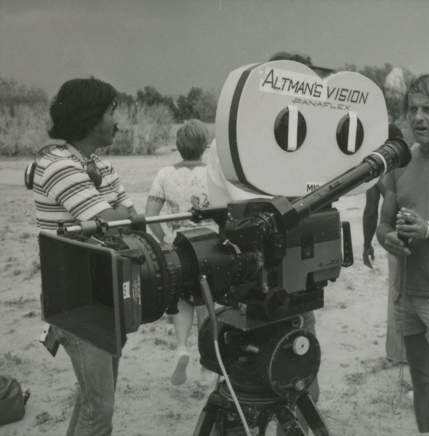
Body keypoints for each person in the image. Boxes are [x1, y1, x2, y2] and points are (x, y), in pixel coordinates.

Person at [207, 50, 320, 435]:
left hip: (268, 289)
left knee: (288, 385)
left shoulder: (229, 143)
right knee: (263, 392)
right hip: (265, 290)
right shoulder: (243, 146)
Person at [31, 77, 136, 436]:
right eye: (110, 112)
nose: (116, 121)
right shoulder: (59, 165)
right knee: (99, 411)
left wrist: (117, 218)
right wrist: (117, 216)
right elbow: (113, 223)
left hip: (101, 293)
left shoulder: (95, 164)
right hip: (76, 300)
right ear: (90, 118)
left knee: (94, 401)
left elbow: (128, 218)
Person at [376, 74, 429, 436]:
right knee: (421, 383)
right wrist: (388, 239)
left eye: (428, 109)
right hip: (407, 294)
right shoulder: (401, 163)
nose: (418, 117)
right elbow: (383, 225)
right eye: (412, 109)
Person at [145, 119, 217, 386]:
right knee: (207, 302)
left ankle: (181, 347)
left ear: (178, 145)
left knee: (184, 299)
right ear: (205, 145)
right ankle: (208, 361)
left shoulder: (165, 174)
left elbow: (151, 214)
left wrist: (164, 238)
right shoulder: (213, 174)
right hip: (209, 245)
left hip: (178, 247)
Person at [362, 124, 407, 364]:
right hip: (418, 232)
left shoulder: (376, 171)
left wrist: (367, 244)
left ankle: (398, 353)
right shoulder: (412, 162)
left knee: (398, 292)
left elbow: (371, 210)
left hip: (395, 236)